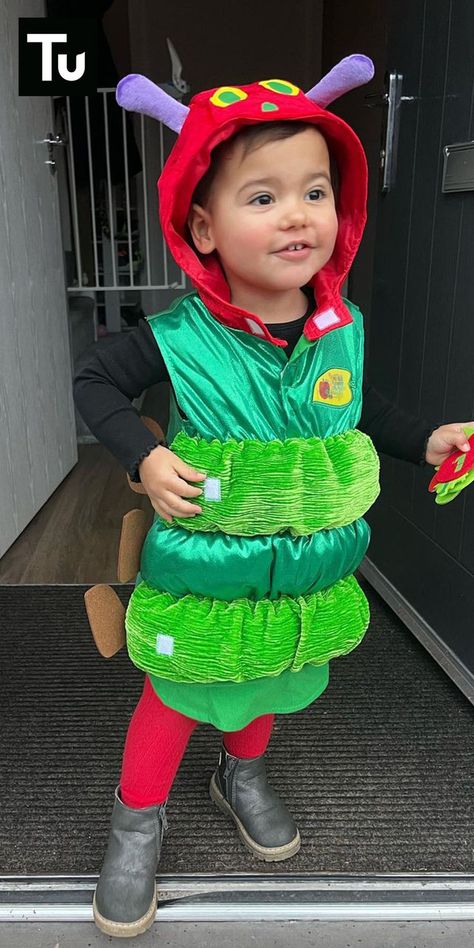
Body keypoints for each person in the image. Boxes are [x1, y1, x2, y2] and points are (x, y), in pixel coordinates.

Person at [73, 61, 473, 938]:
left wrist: (428, 440)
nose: (297, 214)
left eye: (317, 191)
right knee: (179, 686)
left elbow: (358, 409)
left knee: (270, 674)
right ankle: (135, 822)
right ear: (204, 229)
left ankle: (240, 775)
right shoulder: (176, 336)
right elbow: (97, 385)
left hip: (300, 567)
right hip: (203, 567)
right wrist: (142, 458)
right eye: (263, 197)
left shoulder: (344, 328)